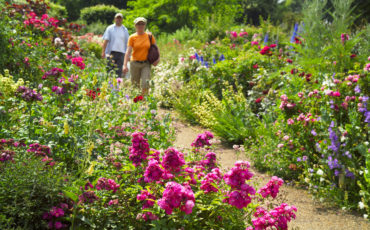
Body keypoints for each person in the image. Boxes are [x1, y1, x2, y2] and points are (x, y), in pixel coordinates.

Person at [123, 17, 160, 95]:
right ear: (135, 25)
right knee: (135, 85)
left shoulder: (149, 36)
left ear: (145, 25)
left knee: (145, 83)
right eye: (138, 24)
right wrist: (125, 65)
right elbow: (128, 52)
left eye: (142, 24)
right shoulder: (132, 37)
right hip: (134, 63)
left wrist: (158, 59)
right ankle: (136, 102)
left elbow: (156, 48)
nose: (140, 25)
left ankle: (144, 101)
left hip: (146, 63)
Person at [102, 13, 129, 78]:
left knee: (119, 72)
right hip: (111, 53)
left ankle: (117, 87)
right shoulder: (110, 28)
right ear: (114, 19)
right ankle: (109, 86)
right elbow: (106, 40)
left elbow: (128, 43)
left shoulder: (125, 30)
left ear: (122, 19)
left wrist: (128, 55)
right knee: (110, 71)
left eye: (120, 18)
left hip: (121, 53)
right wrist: (103, 52)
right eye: (117, 18)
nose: (118, 19)